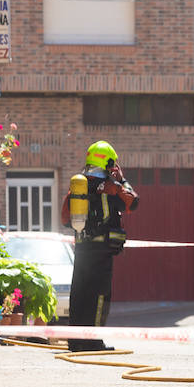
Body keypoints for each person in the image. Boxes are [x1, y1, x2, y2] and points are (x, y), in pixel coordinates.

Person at [65, 140, 139, 351]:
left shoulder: (78, 184)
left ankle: (75, 341)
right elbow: (133, 202)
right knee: (99, 296)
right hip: (101, 251)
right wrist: (122, 180)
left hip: (81, 250)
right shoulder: (110, 187)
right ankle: (93, 341)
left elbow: (64, 218)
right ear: (108, 162)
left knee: (79, 294)